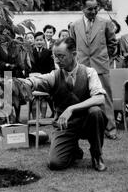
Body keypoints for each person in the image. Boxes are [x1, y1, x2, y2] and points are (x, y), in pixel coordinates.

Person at [23, 37, 108, 172]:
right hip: (65, 125)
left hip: (87, 122)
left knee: (96, 112)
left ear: (74, 54)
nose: (57, 60)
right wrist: (26, 83)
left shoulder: (89, 72)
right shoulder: (54, 75)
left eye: (61, 56)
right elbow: (37, 80)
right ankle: (73, 149)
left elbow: (100, 98)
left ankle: (97, 155)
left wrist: (71, 109)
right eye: (55, 56)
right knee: (55, 164)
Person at [69, 0, 118, 140]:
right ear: (82, 8)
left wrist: (103, 57)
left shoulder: (105, 23)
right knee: (81, 97)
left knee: (105, 97)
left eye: (96, 8)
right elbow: (72, 46)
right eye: (90, 9)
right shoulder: (74, 25)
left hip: (101, 66)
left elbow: (113, 44)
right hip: (82, 67)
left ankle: (111, 128)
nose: (94, 11)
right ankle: (82, 128)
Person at [30, 31, 56, 118]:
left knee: (44, 99)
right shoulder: (30, 52)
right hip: (33, 79)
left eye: (41, 40)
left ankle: (43, 117)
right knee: (33, 100)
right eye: (37, 40)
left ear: (44, 41)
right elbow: (28, 66)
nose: (39, 42)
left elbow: (52, 67)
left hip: (45, 79)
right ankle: (34, 118)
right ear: (34, 41)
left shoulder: (48, 52)